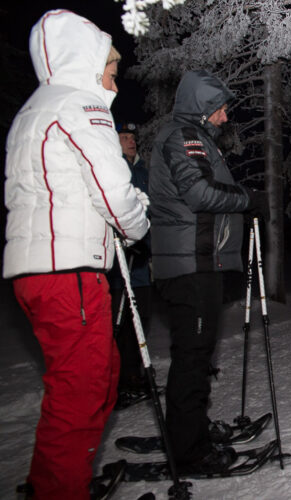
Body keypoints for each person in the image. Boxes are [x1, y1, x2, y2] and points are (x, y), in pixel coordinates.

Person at [3, 10, 149, 499]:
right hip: (68, 273)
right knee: (82, 389)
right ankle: (60, 491)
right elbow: (112, 190)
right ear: (85, 60)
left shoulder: (35, 108)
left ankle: (58, 481)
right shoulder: (80, 105)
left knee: (92, 381)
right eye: (110, 64)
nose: (114, 74)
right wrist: (137, 223)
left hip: (40, 270)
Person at [148, 69, 268, 474]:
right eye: (219, 109)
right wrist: (248, 198)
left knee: (197, 354)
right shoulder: (186, 137)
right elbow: (199, 194)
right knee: (193, 358)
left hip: (197, 262)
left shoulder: (192, 138)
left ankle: (191, 429)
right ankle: (189, 451)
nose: (225, 117)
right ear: (202, 109)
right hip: (191, 263)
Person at [110, 122, 153, 408]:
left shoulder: (142, 171)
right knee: (120, 321)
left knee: (142, 317)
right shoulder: (114, 170)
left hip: (142, 259)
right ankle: (117, 379)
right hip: (120, 260)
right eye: (124, 137)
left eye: (133, 138)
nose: (131, 142)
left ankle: (135, 374)